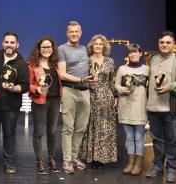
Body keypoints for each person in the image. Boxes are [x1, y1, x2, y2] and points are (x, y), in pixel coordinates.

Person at [145, 30, 176, 182]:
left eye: (168, 42)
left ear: (173, 43)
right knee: (157, 140)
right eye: (162, 42)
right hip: (153, 108)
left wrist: (170, 86)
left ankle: (171, 169)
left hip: (171, 109)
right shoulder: (153, 59)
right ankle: (157, 167)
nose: (164, 45)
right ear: (158, 43)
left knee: (172, 140)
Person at [0, 32, 29, 174]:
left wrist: (14, 88)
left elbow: (25, 86)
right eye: (7, 42)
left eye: (12, 42)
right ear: (3, 43)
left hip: (11, 106)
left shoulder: (21, 63)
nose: (9, 45)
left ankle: (9, 162)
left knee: (9, 134)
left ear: (17, 45)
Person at [57, 20, 94, 173]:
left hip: (85, 91)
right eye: (71, 31)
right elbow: (62, 74)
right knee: (68, 128)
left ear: (80, 32)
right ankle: (66, 161)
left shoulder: (84, 48)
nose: (74, 34)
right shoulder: (61, 49)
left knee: (80, 128)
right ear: (67, 33)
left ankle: (74, 157)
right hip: (69, 91)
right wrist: (81, 79)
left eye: (76, 31)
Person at [80, 34, 117, 169]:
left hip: (106, 97)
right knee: (91, 127)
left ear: (104, 46)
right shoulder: (86, 60)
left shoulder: (110, 62)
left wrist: (116, 96)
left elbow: (112, 80)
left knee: (104, 128)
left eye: (100, 44)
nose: (98, 46)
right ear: (91, 46)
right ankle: (92, 157)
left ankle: (102, 158)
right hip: (90, 96)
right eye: (95, 44)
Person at [28, 36, 62, 174]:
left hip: (55, 101)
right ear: (39, 49)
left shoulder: (56, 65)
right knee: (38, 132)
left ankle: (51, 159)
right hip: (40, 101)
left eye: (49, 47)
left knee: (52, 132)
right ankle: (39, 161)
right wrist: (36, 89)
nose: (46, 49)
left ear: (52, 49)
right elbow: (28, 84)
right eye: (44, 47)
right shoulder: (32, 65)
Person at [115, 43, 149, 175]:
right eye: (131, 52)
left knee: (138, 137)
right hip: (125, 106)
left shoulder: (147, 69)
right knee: (129, 137)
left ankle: (138, 164)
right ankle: (130, 163)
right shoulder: (122, 69)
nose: (133, 54)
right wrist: (122, 89)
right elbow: (117, 84)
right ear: (128, 55)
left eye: (136, 52)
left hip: (140, 107)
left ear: (140, 54)